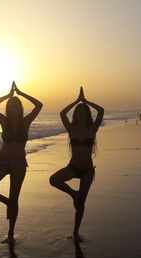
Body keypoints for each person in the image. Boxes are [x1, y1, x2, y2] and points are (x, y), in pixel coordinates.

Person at [0, 81, 42, 243]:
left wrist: (21, 93)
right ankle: (7, 202)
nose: (13, 108)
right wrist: (8, 95)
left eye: (16, 105)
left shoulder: (26, 122)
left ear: (20, 108)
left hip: (19, 164)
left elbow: (39, 105)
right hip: (2, 162)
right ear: (8, 108)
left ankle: (10, 235)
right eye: (10, 105)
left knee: (15, 197)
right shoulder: (3, 121)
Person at [49, 87, 104, 241]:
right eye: (78, 112)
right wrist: (75, 101)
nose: (81, 114)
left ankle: (75, 232)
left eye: (84, 112)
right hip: (72, 167)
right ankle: (74, 194)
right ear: (75, 114)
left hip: (87, 170)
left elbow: (101, 111)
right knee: (53, 180)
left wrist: (86, 102)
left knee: (81, 204)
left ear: (87, 115)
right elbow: (62, 113)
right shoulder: (71, 129)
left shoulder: (93, 128)